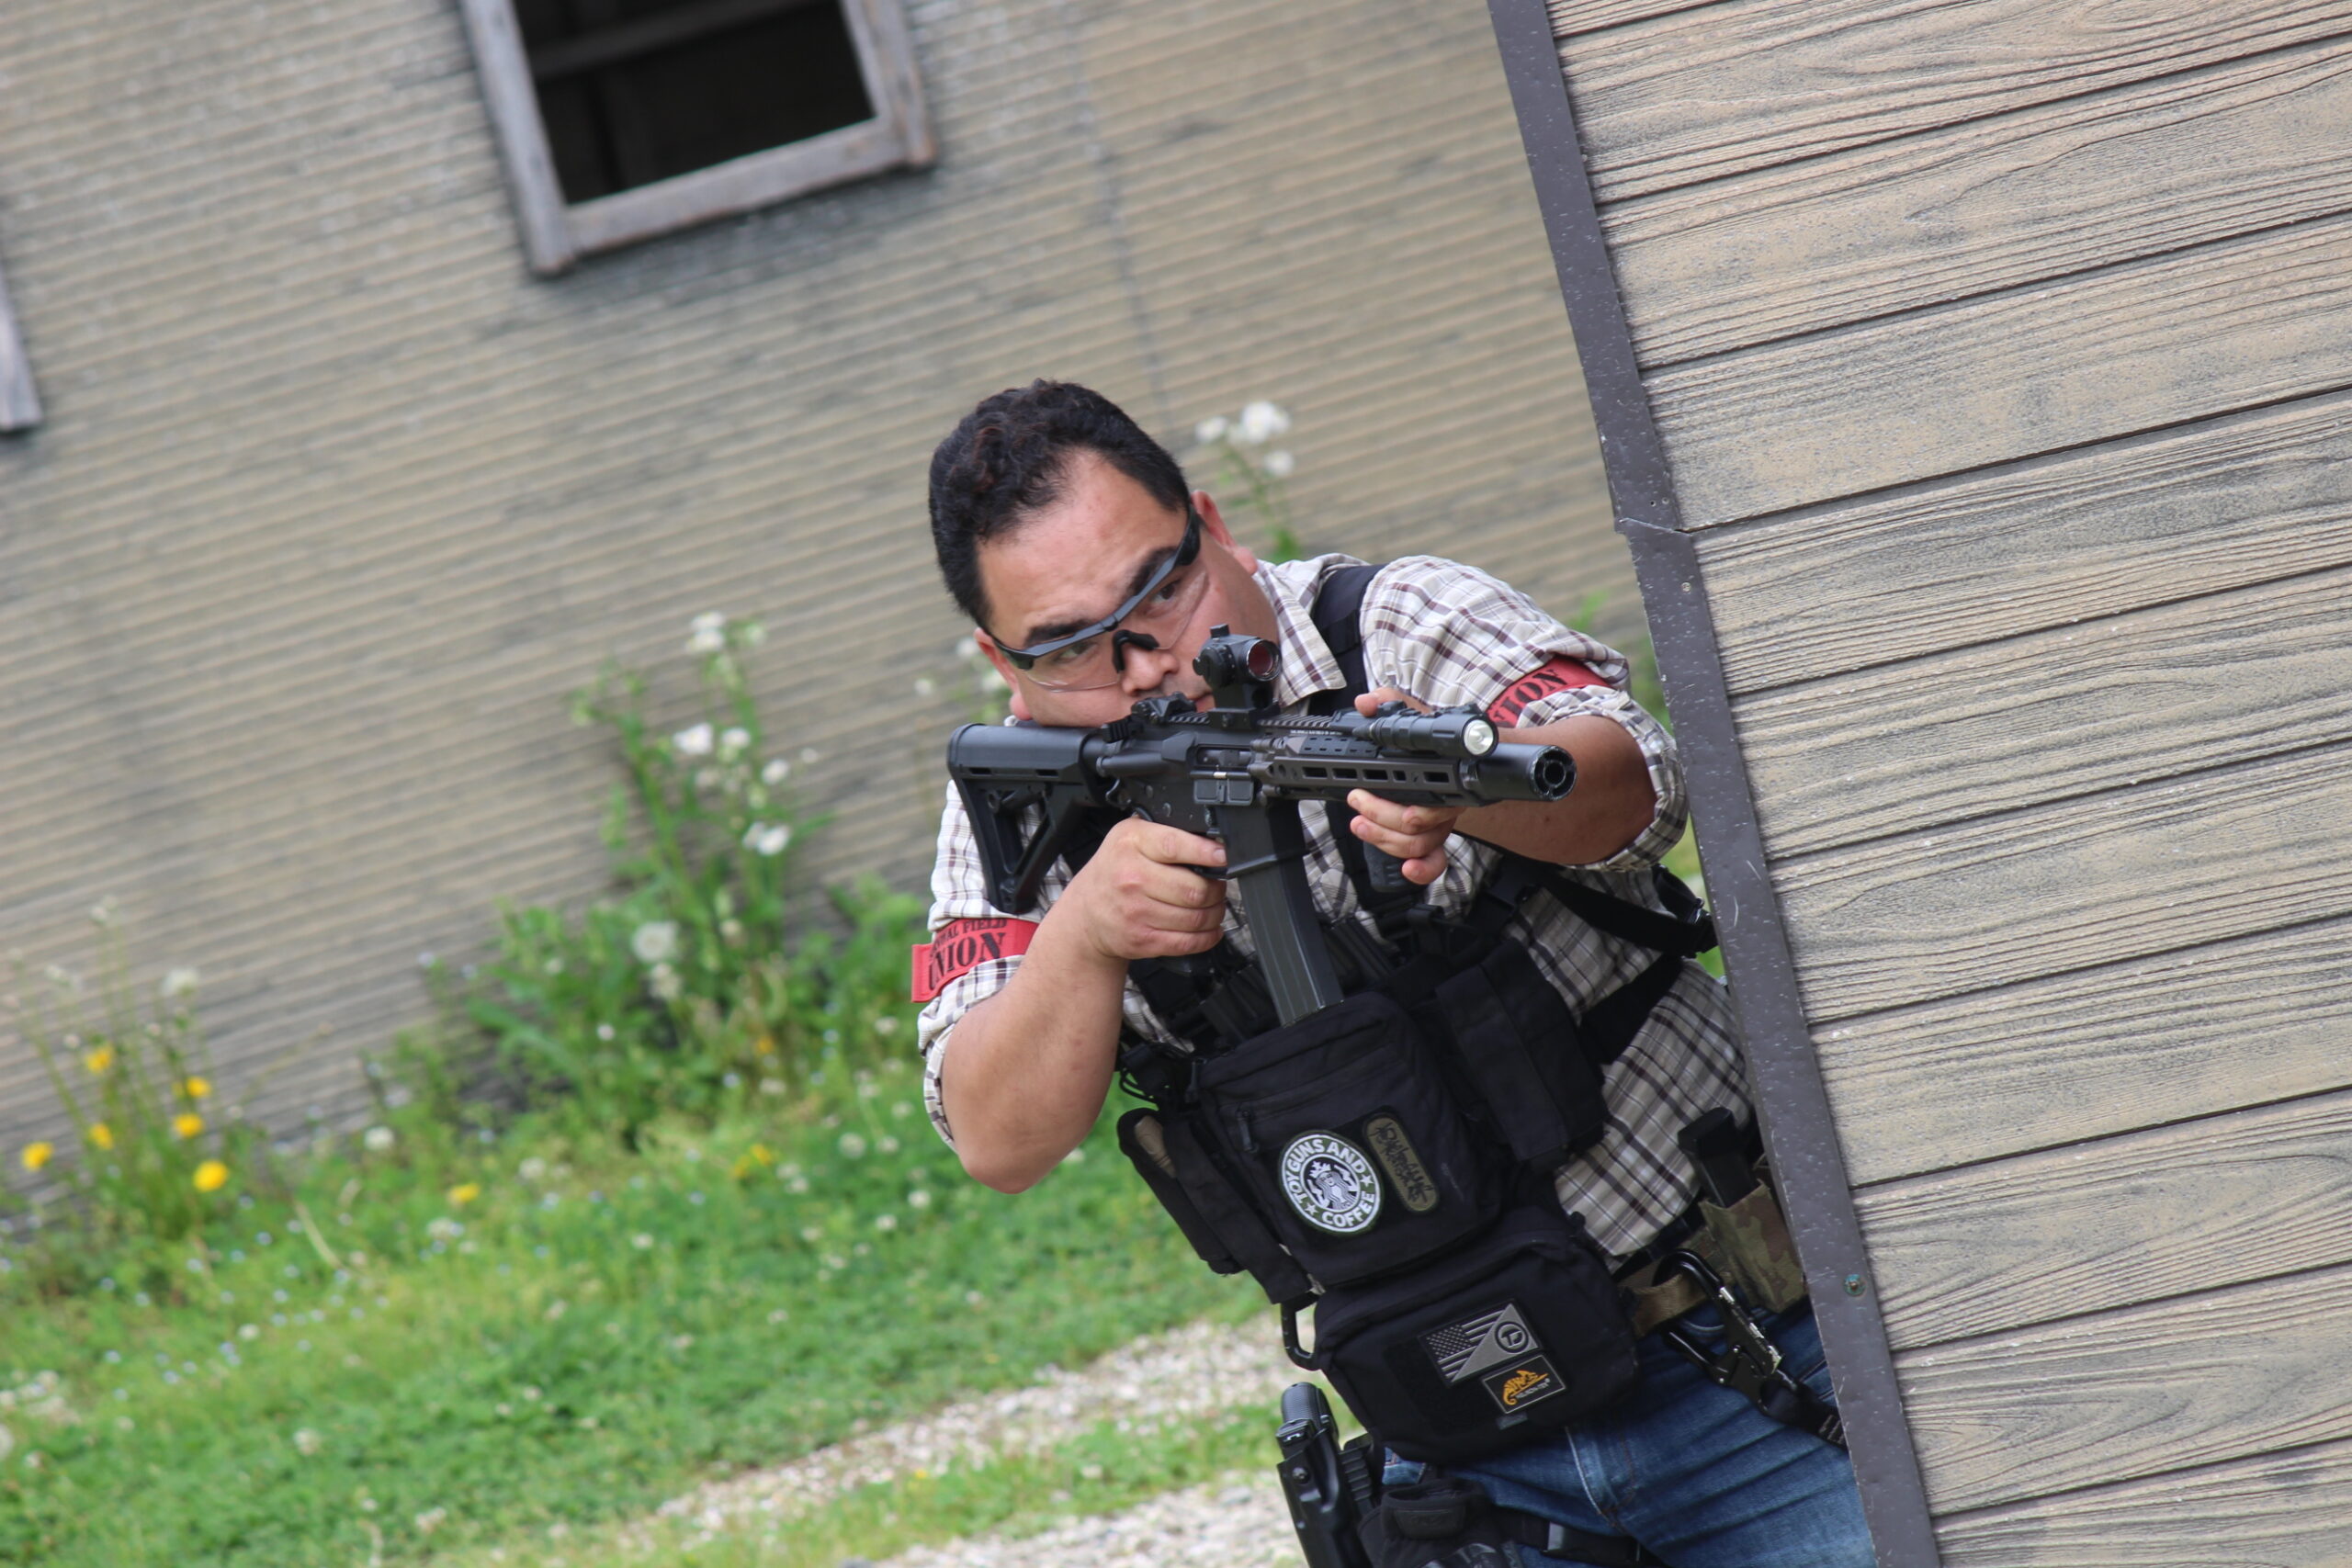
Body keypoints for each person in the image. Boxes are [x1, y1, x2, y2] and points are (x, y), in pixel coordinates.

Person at [913, 379, 1871, 1567]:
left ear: (1213, 524)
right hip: (1463, 1448)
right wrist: (1083, 937)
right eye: (1070, 647)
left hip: (1746, 1347)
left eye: (1161, 589)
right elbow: (995, 1138)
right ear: (1000, 661)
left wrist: (1473, 795)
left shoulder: (1395, 622)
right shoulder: (1023, 794)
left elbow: (1636, 781)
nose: (1146, 662)